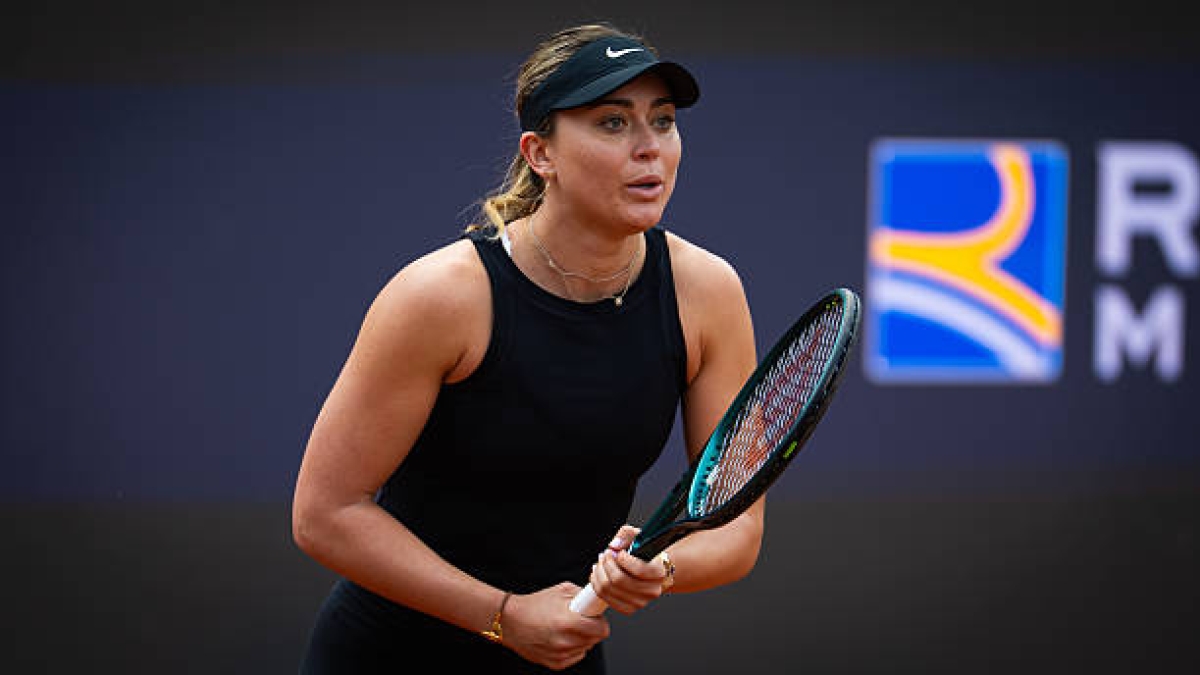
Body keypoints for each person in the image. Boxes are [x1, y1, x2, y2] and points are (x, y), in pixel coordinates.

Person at [292, 22, 763, 674]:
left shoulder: (707, 292)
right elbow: (325, 511)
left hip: (561, 654)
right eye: (612, 123)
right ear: (541, 154)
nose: (650, 148)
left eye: (662, 121)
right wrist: (502, 613)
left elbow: (737, 529)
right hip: (390, 654)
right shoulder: (442, 296)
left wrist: (655, 565)